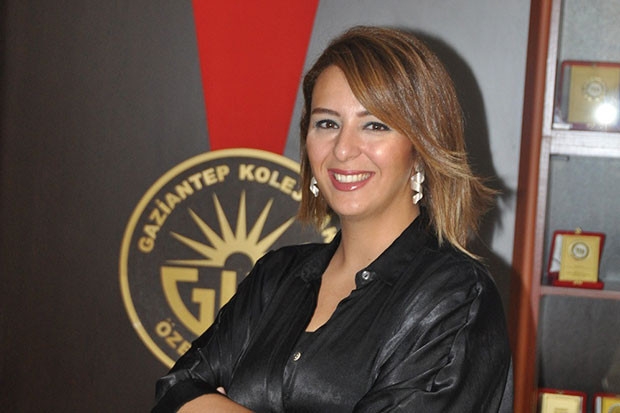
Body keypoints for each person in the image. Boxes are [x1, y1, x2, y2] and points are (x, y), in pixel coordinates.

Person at [152, 25, 513, 412]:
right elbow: (177, 389)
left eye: (374, 125)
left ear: (421, 148)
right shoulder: (275, 277)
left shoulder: (455, 295)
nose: (343, 149)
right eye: (327, 123)